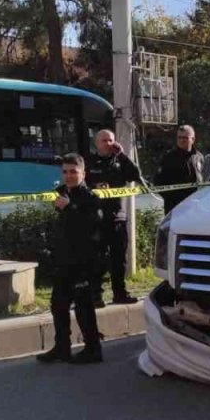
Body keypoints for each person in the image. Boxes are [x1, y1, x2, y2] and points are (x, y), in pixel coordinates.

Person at [37, 154, 104, 365]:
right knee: (58, 304)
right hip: (63, 259)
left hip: (82, 261)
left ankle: (93, 349)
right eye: (65, 172)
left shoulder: (89, 197)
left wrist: (71, 207)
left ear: (83, 173)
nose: (68, 176)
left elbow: (94, 224)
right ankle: (62, 347)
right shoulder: (60, 193)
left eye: (73, 171)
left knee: (83, 306)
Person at [86, 129, 142, 307]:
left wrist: (123, 155)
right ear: (96, 143)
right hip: (96, 218)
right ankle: (96, 295)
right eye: (104, 140)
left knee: (119, 259)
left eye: (110, 140)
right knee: (97, 259)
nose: (108, 144)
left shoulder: (120, 161)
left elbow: (136, 175)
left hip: (118, 217)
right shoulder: (89, 162)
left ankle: (120, 293)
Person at [156, 125, 204, 214]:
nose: (182, 140)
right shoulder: (169, 158)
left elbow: (204, 179)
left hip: (196, 207)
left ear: (193, 139)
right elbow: (158, 183)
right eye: (179, 138)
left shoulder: (199, 157)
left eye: (185, 138)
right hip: (175, 208)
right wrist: (173, 199)